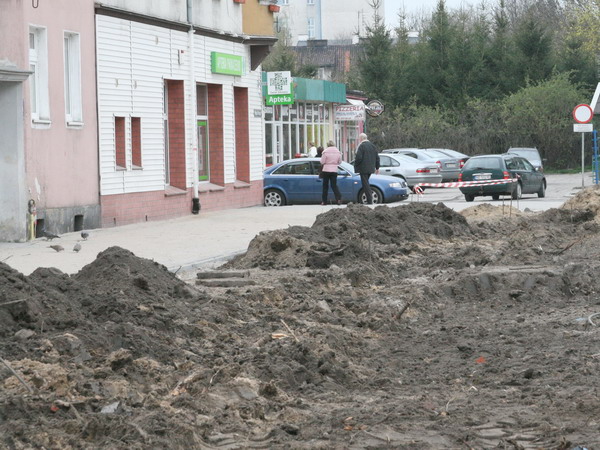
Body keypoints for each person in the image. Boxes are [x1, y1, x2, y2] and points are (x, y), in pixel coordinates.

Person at [353, 133, 380, 204]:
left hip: (363, 168)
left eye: (359, 138)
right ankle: (368, 198)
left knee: (365, 184)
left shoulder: (362, 146)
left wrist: (356, 165)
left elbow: (358, 157)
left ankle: (369, 200)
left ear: (361, 138)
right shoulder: (373, 146)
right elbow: (377, 158)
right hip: (371, 168)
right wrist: (377, 168)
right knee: (366, 183)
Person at [320, 140, 342, 205]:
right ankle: (338, 199)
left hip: (326, 170)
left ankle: (324, 201)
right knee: (334, 185)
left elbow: (322, 162)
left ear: (328, 145)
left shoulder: (325, 152)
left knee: (325, 186)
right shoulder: (338, 152)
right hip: (334, 170)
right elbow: (340, 162)